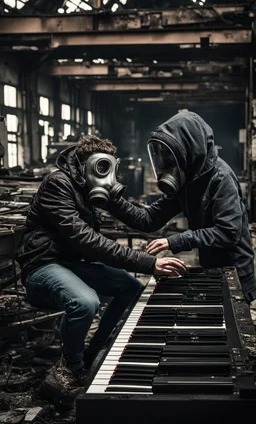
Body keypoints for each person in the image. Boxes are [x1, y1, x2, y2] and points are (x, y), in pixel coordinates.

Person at [16, 135, 185, 407]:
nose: (107, 175)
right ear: (85, 166)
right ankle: (70, 368)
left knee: (130, 287)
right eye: (101, 167)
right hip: (42, 267)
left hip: (73, 266)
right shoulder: (57, 184)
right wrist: (148, 263)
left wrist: (179, 196)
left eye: (110, 168)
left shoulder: (94, 186)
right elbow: (86, 240)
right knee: (85, 302)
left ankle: (91, 355)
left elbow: (141, 218)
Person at [107, 111, 256, 306]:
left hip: (235, 273)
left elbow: (228, 233)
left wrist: (175, 241)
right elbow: (149, 219)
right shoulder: (187, 179)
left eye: (170, 155)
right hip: (211, 268)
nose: (167, 163)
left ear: (189, 149)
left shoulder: (221, 179)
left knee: (230, 331)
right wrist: (111, 200)